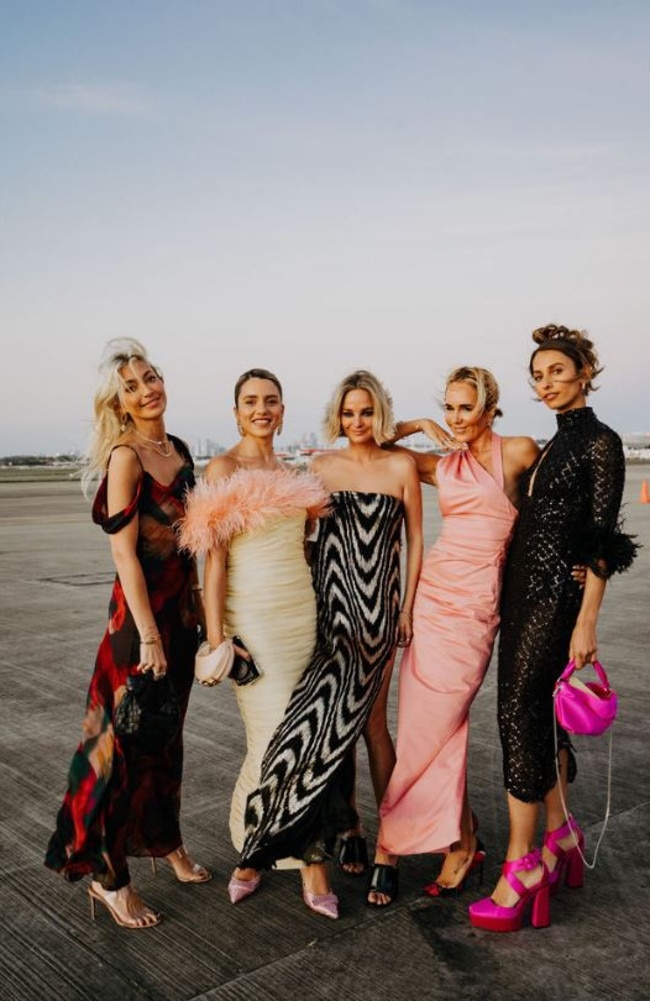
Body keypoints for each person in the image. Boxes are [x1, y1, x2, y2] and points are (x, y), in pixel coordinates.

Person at [235, 370, 423, 916]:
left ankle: (391, 844)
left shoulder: (401, 466)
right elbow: (301, 539)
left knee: (371, 725)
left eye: (366, 412)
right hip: (328, 611)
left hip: (378, 613)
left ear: (379, 414)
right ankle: (349, 826)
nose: (357, 422)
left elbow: (415, 543)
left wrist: (405, 609)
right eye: (348, 413)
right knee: (323, 724)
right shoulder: (320, 467)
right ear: (337, 417)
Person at [469, 325, 637, 933]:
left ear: (585, 372)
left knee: (517, 714)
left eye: (557, 372)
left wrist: (586, 619)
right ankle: (561, 835)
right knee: (530, 711)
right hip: (522, 594)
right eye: (537, 375)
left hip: (556, 600)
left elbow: (603, 539)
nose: (545, 384)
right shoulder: (549, 445)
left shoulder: (601, 442)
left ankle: (521, 867)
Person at [45, 338, 208, 931]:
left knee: (166, 742)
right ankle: (110, 880)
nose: (148, 389)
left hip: (180, 619)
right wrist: (150, 636)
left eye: (151, 376)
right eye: (133, 386)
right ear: (119, 403)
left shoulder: (180, 449)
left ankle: (166, 844)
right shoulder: (126, 456)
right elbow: (124, 552)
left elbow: (193, 542)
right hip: (138, 627)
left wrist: (197, 618)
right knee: (119, 750)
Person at [367, 367, 539, 906]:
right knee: (421, 727)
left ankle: (421, 840)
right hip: (433, 598)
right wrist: (418, 423)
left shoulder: (518, 452)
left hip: (476, 607)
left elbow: (558, 504)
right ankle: (461, 840)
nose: (456, 419)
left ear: (490, 407)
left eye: (466, 408)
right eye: (449, 408)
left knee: (442, 724)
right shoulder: (442, 466)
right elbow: (371, 440)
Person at [178, 369, 333, 915]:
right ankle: (254, 851)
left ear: (284, 410)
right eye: (251, 401)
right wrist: (218, 637)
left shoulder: (294, 472)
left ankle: (310, 864)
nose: (262, 409)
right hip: (253, 623)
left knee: (309, 742)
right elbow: (212, 562)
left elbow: (307, 550)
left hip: (300, 618)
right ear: (236, 412)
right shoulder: (223, 467)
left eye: (271, 401)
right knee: (269, 742)